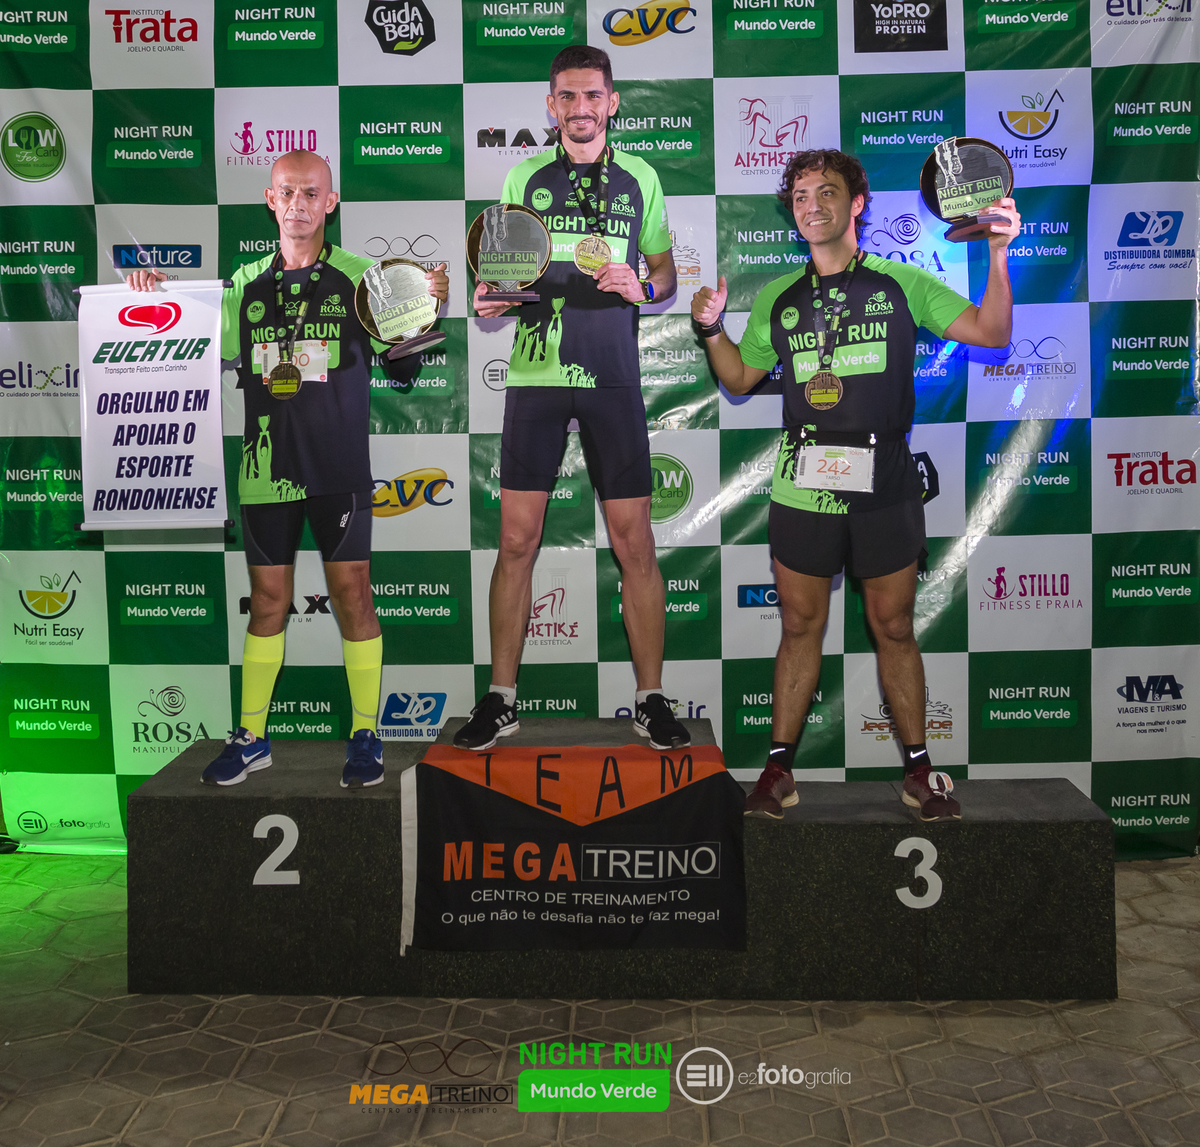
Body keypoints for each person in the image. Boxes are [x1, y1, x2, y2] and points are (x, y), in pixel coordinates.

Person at [692, 149, 1020, 821]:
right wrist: (711, 329)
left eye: (827, 192)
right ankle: (778, 771)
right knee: (799, 625)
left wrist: (997, 252)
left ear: (857, 204)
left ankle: (919, 772)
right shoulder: (779, 297)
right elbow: (739, 379)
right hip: (803, 484)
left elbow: (992, 333)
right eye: (800, 196)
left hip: (885, 482)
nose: (812, 206)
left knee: (893, 625)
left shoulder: (903, 282)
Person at [127, 150, 449, 790]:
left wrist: (423, 309)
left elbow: (407, 367)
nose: (298, 204)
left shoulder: (363, 278)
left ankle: (365, 733)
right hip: (265, 471)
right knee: (268, 603)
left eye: (310, 193)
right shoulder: (245, 282)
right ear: (270, 201)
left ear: (330, 202)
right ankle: (251, 737)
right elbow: (183, 338)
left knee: (353, 595)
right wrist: (154, 293)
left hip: (338, 470)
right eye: (287, 193)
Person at [454, 44, 690, 752]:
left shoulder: (641, 177)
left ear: (612, 102)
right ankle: (501, 699)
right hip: (536, 376)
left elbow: (666, 275)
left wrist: (645, 288)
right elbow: (500, 282)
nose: (580, 108)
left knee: (634, 542)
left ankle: (650, 697)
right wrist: (489, 301)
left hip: (612, 376)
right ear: (551, 105)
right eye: (567, 96)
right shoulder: (523, 176)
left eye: (592, 96)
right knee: (516, 540)